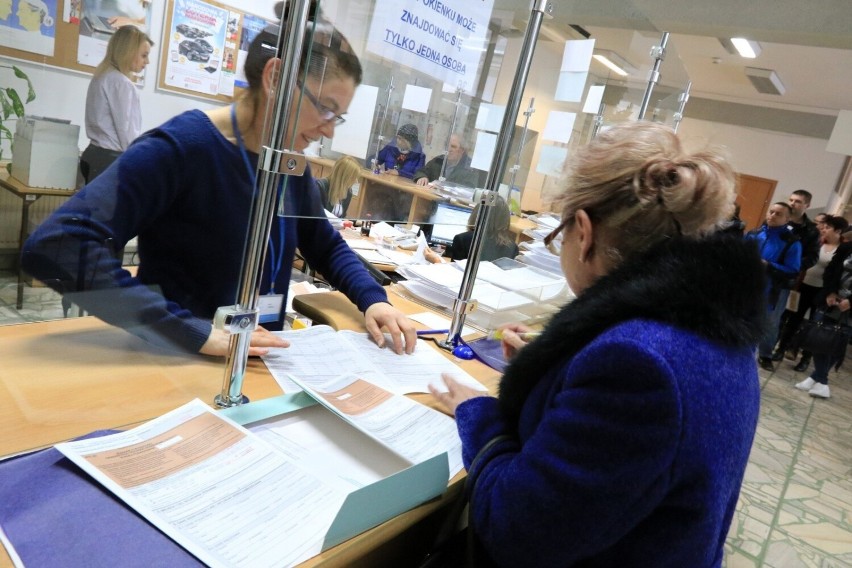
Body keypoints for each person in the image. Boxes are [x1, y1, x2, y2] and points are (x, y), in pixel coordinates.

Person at [428, 121, 764, 566]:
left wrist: (478, 412)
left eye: (559, 233)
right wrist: (554, 376)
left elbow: (517, 529)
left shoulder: (638, 364)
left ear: (583, 231)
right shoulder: (713, 327)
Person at [22, 2, 416, 357]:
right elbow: (58, 245)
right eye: (326, 109)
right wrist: (187, 331)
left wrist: (373, 299)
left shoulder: (287, 163)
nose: (329, 131)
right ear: (276, 78)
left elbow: (324, 244)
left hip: (259, 358)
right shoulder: (183, 147)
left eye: (338, 116)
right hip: (183, 360)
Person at [80, 25, 153, 183]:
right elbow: (126, 133)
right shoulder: (122, 83)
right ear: (129, 52)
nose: (147, 61)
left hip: (92, 155)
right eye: (144, 55)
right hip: (109, 161)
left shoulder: (102, 76)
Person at [782, 215, 848, 372]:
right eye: (823, 226)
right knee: (793, 319)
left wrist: (831, 291)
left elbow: (836, 271)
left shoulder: (843, 248)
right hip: (804, 285)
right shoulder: (818, 242)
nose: (823, 229)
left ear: (838, 231)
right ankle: (783, 349)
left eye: (828, 227)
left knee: (814, 325)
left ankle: (805, 358)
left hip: (822, 291)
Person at [745, 202, 801, 371]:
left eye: (778, 214)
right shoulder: (754, 233)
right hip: (747, 286)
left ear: (787, 218)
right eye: (771, 212)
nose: (772, 216)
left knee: (769, 323)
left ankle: (765, 355)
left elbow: (793, 270)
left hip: (772, 289)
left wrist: (768, 265)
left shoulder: (792, 242)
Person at [794, 239, 852, 398]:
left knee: (836, 341)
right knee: (820, 338)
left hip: (849, 308)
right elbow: (831, 270)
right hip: (832, 300)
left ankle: (818, 379)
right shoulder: (847, 247)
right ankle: (820, 380)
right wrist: (831, 292)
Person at [770, 189, 820, 361]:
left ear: (807, 205)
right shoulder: (777, 219)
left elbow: (813, 256)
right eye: (791, 200)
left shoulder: (811, 230)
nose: (792, 203)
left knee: (778, 318)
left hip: (787, 279)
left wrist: (794, 264)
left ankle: (771, 351)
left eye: (797, 201)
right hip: (766, 273)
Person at [424, 196, 518, 263]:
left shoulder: (463, 239)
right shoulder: (513, 247)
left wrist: (437, 260)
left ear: (477, 214)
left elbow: (454, 277)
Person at [414, 133, 480, 189]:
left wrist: (444, 187)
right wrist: (422, 177)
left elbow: (469, 189)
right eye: (447, 145)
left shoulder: (469, 168)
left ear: (462, 150)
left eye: (453, 147)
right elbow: (422, 171)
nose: (449, 149)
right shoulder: (438, 160)